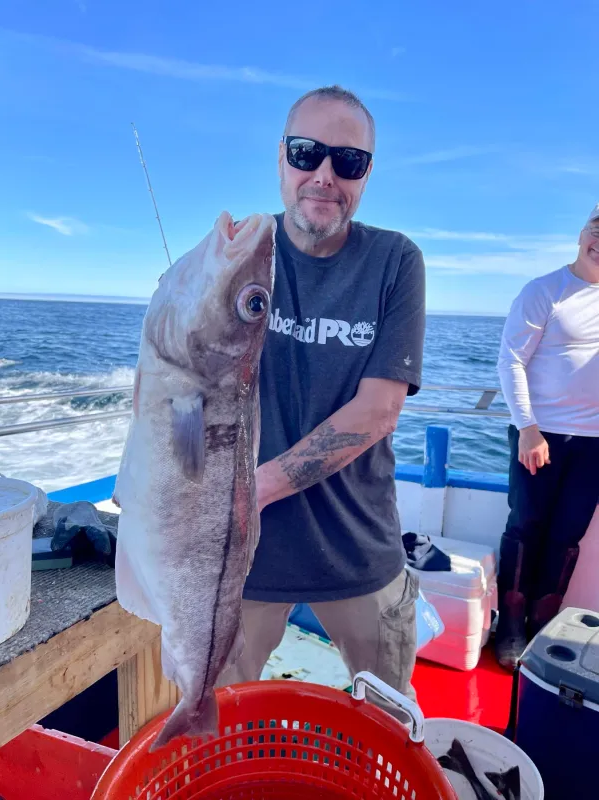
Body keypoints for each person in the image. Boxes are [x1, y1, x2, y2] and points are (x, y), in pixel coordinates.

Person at [217, 85, 426, 712]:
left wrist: (253, 489)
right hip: (244, 557)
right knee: (221, 721)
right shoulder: (238, 254)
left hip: (358, 548)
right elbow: (184, 375)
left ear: (367, 173)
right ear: (281, 157)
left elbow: (378, 411)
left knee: (390, 720)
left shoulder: (395, 261)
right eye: (307, 153)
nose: (325, 175)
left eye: (349, 160)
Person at [495, 202, 599, 670]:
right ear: (581, 233)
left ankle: (543, 625)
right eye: (597, 228)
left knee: (567, 536)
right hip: (540, 435)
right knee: (526, 527)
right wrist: (528, 428)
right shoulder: (544, 291)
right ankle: (510, 627)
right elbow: (511, 360)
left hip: (594, 444)